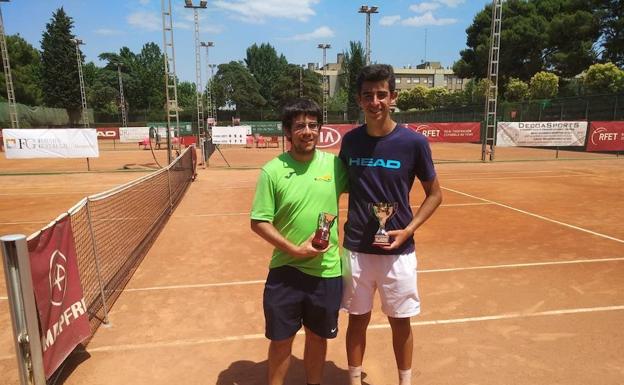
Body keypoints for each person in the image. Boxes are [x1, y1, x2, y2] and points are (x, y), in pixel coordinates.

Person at [339, 64, 443, 385]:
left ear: (393, 97)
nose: (375, 101)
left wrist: (409, 230)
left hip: (399, 252)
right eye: (368, 95)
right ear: (359, 100)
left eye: (381, 94)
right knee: (357, 320)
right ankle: (355, 380)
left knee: (401, 322)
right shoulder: (351, 142)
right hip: (356, 249)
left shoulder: (413, 143)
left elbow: (435, 195)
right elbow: (335, 187)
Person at [250, 98, 348, 385]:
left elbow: (368, 186)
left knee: (318, 338)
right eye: (300, 126)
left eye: (313, 125)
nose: (307, 131)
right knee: (281, 341)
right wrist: (294, 249)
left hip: (327, 271)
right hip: (286, 272)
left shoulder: (335, 165)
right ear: (288, 131)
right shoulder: (272, 171)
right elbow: (258, 222)